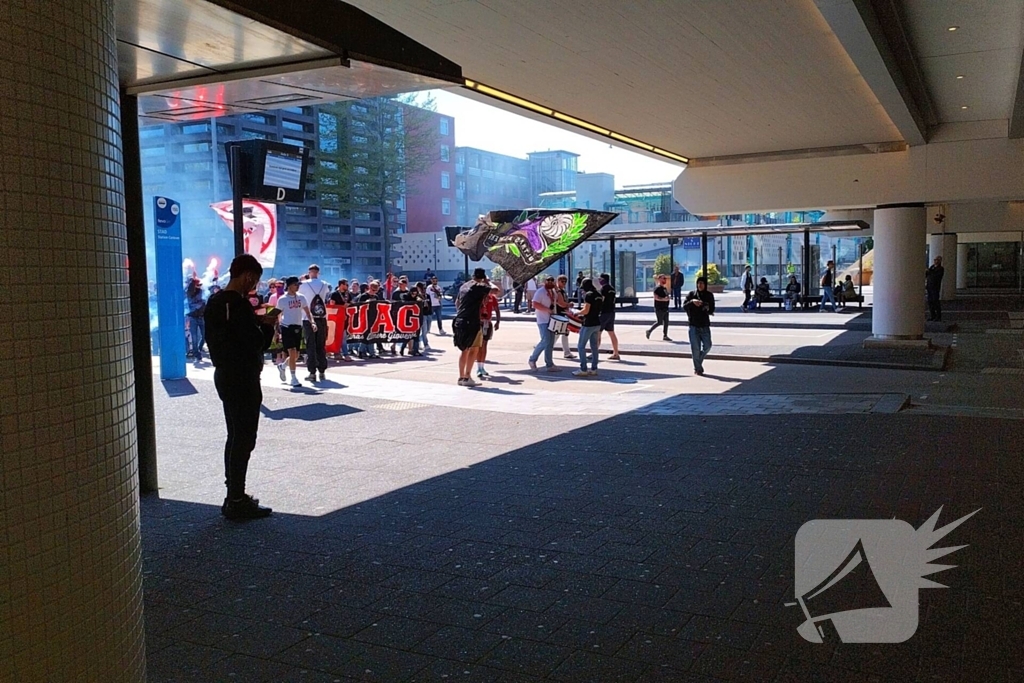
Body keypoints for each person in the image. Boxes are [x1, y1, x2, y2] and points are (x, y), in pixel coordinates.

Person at [203, 254, 278, 520]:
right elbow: (255, 343)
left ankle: (233, 494)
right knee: (245, 437)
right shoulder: (240, 305)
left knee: (234, 434)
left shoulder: (214, 302)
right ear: (247, 276)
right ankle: (236, 498)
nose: (254, 285)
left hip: (223, 374)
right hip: (244, 376)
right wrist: (267, 327)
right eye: (254, 280)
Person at [453, 268, 491, 386]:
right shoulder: (479, 287)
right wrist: (488, 282)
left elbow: (457, 302)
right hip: (472, 321)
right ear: (482, 277)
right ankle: (467, 376)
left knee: (464, 350)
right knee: (474, 349)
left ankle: (461, 376)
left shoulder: (464, 286)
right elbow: (495, 290)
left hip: (460, 320)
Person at [276, 276, 315, 387]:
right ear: (289, 286)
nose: (297, 286)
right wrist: (277, 329)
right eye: (295, 284)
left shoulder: (302, 298)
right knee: (292, 352)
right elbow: (278, 313)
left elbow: (308, 311)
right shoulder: (282, 299)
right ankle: (293, 378)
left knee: (296, 355)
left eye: (298, 284)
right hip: (287, 327)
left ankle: (282, 366)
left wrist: (312, 322)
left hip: (298, 327)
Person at [298, 264, 331, 381]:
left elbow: (296, 291)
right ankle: (322, 371)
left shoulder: (304, 284)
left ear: (309, 272)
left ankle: (312, 372)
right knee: (321, 344)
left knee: (310, 345)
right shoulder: (324, 284)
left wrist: (302, 279)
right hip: (321, 316)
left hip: (308, 317)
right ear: (318, 272)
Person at [528, 275, 561, 372]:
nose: (550, 282)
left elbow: (558, 301)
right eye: (548, 280)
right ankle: (532, 359)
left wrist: (557, 289)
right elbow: (535, 303)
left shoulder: (553, 292)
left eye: (552, 280)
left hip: (551, 320)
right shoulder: (540, 292)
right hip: (543, 320)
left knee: (550, 343)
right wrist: (546, 309)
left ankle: (549, 364)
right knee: (545, 341)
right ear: (544, 281)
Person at [684, 276, 715, 376]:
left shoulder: (709, 295)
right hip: (693, 325)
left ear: (705, 285)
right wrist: (692, 302)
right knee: (695, 348)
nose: (700, 285)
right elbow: (684, 306)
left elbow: (712, 309)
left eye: (702, 283)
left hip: (704, 325)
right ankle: (698, 368)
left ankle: (698, 361)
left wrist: (704, 305)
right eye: (698, 283)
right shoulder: (692, 294)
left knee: (708, 346)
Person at [573, 278, 603, 377]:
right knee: (594, 347)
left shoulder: (589, 295)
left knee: (581, 346)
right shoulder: (598, 295)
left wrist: (577, 312)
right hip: (597, 323)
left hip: (588, 323)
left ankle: (583, 369)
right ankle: (594, 368)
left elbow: (586, 310)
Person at [477, 284, 501, 379]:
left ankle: (482, 366)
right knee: (479, 345)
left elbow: (497, 310)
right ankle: (478, 367)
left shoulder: (492, 298)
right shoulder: (480, 298)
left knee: (485, 345)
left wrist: (498, 321)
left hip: (488, 323)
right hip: (480, 323)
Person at [329, 279, 354, 362]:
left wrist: (349, 305)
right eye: (346, 285)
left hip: (345, 318)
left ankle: (342, 353)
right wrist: (341, 307)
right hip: (336, 319)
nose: (347, 286)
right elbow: (332, 305)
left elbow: (352, 303)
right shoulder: (334, 294)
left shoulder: (348, 294)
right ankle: (341, 353)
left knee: (343, 337)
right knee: (338, 336)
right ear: (341, 285)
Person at [597, 274, 620, 360]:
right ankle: (616, 352)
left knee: (598, 332)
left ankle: (594, 353)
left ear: (603, 279)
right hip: (611, 312)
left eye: (600, 279)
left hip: (604, 312)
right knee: (611, 333)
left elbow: (602, 300)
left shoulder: (604, 289)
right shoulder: (612, 289)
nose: (599, 280)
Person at [185, 277, 206, 363]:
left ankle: (198, 351)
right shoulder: (189, 293)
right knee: (194, 337)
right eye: (198, 285)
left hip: (201, 317)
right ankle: (196, 353)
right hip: (193, 317)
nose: (200, 286)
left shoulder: (201, 292)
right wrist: (201, 303)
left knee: (204, 335)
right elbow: (193, 305)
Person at [554, 275, 576, 359]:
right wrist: (568, 304)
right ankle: (548, 349)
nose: (563, 283)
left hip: (563, 314)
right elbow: (560, 303)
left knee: (564, 333)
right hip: (560, 315)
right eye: (562, 281)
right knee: (558, 334)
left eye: (565, 281)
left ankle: (567, 352)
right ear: (558, 281)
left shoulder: (562, 291)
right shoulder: (558, 291)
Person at [645, 274, 672, 341]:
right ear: (659, 279)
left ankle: (665, 335)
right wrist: (664, 299)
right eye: (663, 278)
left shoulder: (665, 288)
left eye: (665, 278)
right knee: (659, 322)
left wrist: (668, 298)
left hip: (665, 308)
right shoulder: (657, 288)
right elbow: (656, 297)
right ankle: (649, 331)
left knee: (666, 322)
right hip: (659, 308)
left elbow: (666, 296)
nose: (665, 280)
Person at [926, 256, 945, 321]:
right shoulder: (932, 267)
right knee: (930, 302)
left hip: (935, 287)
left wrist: (929, 272)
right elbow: (927, 274)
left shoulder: (941, 269)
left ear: (940, 261)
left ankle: (938, 316)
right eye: (935, 260)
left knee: (936, 301)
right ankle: (933, 315)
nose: (935, 261)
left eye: (937, 260)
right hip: (929, 287)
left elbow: (936, 276)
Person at [415, 282, 432, 352]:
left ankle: (420, 341)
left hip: (429, 313)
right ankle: (425, 344)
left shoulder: (427, 295)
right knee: (424, 330)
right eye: (422, 288)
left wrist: (431, 311)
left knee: (427, 329)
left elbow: (430, 304)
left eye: (424, 288)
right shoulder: (418, 296)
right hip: (422, 314)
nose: (423, 289)